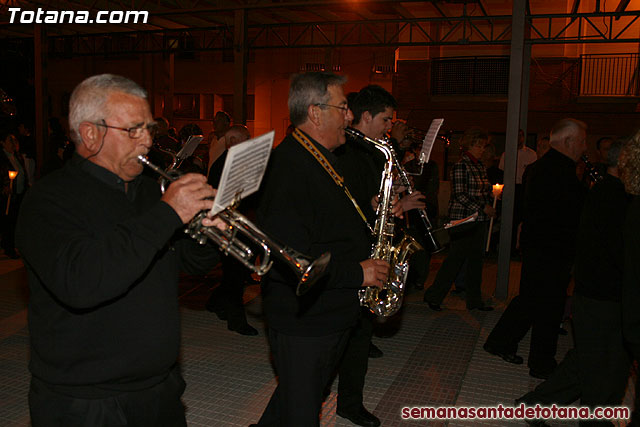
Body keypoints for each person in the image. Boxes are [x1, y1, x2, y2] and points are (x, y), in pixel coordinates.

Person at [15, 74, 222, 426]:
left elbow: (191, 262)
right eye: (133, 130)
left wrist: (209, 232)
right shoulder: (47, 199)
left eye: (149, 129)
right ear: (91, 134)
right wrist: (168, 213)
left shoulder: (148, 192)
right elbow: (81, 282)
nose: (147, 141)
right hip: (83, 402)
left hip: (159, 390)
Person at [253, 72, 389, 427]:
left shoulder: (321, 157)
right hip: (305, 322)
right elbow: (294, 258)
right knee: (302, 411)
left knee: (295, 399)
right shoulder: (288, 168)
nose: (349, 116)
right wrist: (359, 272)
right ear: (315, 112)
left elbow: (325, 219)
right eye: (343, 107)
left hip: (327, 311)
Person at [516, 140, 631, 420]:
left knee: (595, 360)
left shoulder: (610, 191)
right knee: (604, 365)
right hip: (602, 292)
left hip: (599, 290)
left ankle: (536, 404)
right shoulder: (609, 194)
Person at [484, 118, 587, 379]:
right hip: (553, 248)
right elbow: (569, 215)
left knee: (531, 299)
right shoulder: (561, 171)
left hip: (538, 244)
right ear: (569, 141)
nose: (584, 147)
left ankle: (500, 342)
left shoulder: (539, 167)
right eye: (582, 141)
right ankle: (541, 362)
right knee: (549, 306)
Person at [423, 127, 496, 312]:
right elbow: (460, 194)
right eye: (478, 145)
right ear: (469, 146)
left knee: (476, 261)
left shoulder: (479, 166)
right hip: (461, 219)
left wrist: (491, 197)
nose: (482, 149)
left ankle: (474, 301)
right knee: (455, 259)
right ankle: (434, 295)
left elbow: (481, 191)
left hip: (478, 219)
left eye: (483, 146)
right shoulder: (460, 166)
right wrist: (483, 207)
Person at [204, 124, 259, 336]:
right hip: (230, 226)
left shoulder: (247, 160)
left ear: (247, 138)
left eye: (237, 138)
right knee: (234, 274)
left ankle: (216, 301)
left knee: (238, 272)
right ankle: (235, 319)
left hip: (246, 224)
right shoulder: (223, 164)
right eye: (229, 139)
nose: (232, 142)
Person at [499, 129, 537, 251]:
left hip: (523, 187)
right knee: (509, 218)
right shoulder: (506, 154)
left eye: (520, 136)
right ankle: (508, 247)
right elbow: (502, 172)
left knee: (522, 218)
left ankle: (520, 246)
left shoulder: (531, 154)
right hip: (510, 187)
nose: (518, 138)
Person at [0, 130, 27, 259]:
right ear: (3, 143)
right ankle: (8, 247)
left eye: (14, 141)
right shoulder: (2, 158)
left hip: (18, 193)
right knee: (8, 221)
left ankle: (10, 244)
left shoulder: (17, 156)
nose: (12, 143)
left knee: (15, 220)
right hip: (6, 196)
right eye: (9, 141)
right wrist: (4, 186)